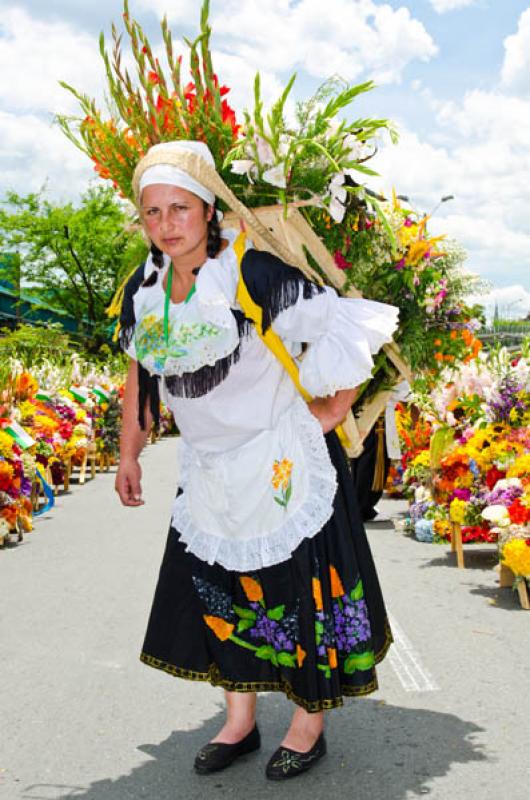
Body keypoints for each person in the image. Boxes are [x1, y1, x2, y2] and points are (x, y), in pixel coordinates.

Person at [115, 140, 399, 780]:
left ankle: (306, 724)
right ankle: (239, 722)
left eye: (178, 208)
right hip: (209, 472)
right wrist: (128, 454)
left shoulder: (252, 269)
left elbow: (346, 325)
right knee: (223, 594)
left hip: (280, 462)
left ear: (208, 209)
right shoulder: (144, 287)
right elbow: (139, 379)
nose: (165, 225)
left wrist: (328, 411)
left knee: (298, 597)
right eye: (152, 212)